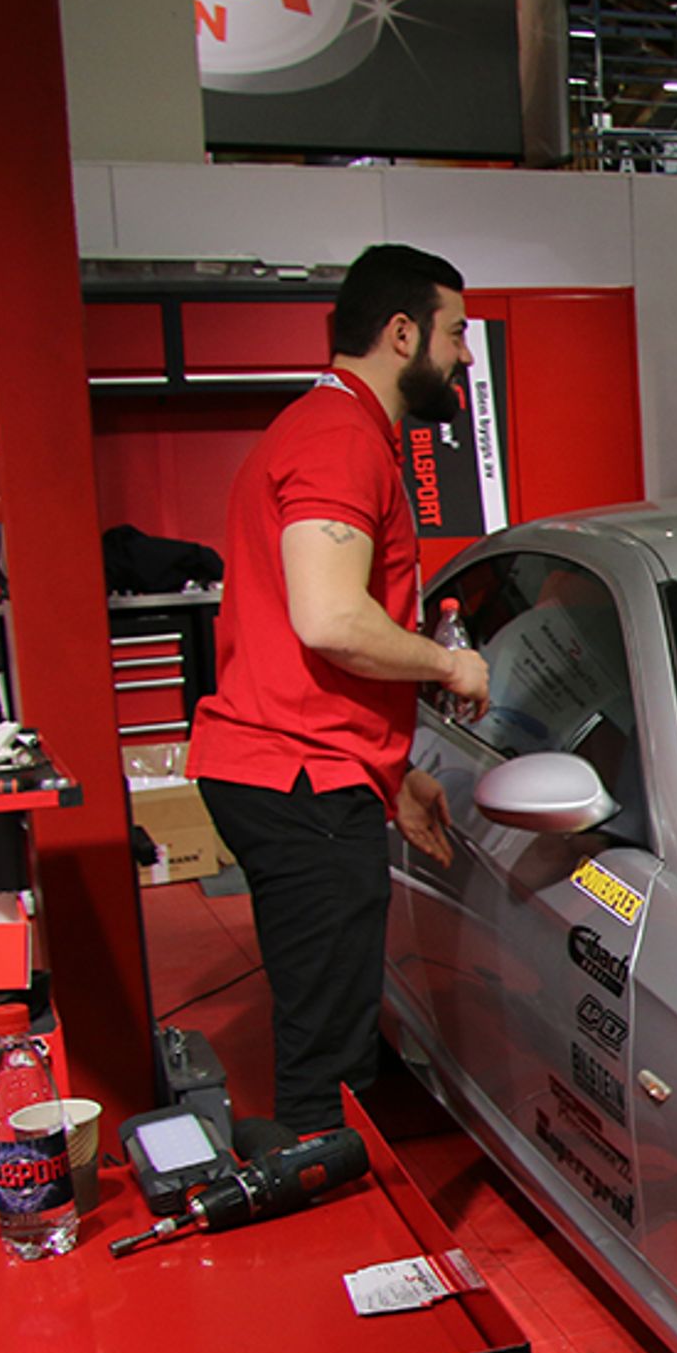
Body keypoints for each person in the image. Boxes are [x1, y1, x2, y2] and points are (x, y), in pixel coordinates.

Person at [188, 243, 491, 1135]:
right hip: (298, 782)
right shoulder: (338, 441)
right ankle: (330, 1213)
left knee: (330, 1012)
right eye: (456, 333)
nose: (466, 356)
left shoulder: (331, 430)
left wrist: (391, 773)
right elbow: (329, 621)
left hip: (307, 767)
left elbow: (300, 647)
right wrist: (448, 665)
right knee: (328, 1057)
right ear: (404, 334)